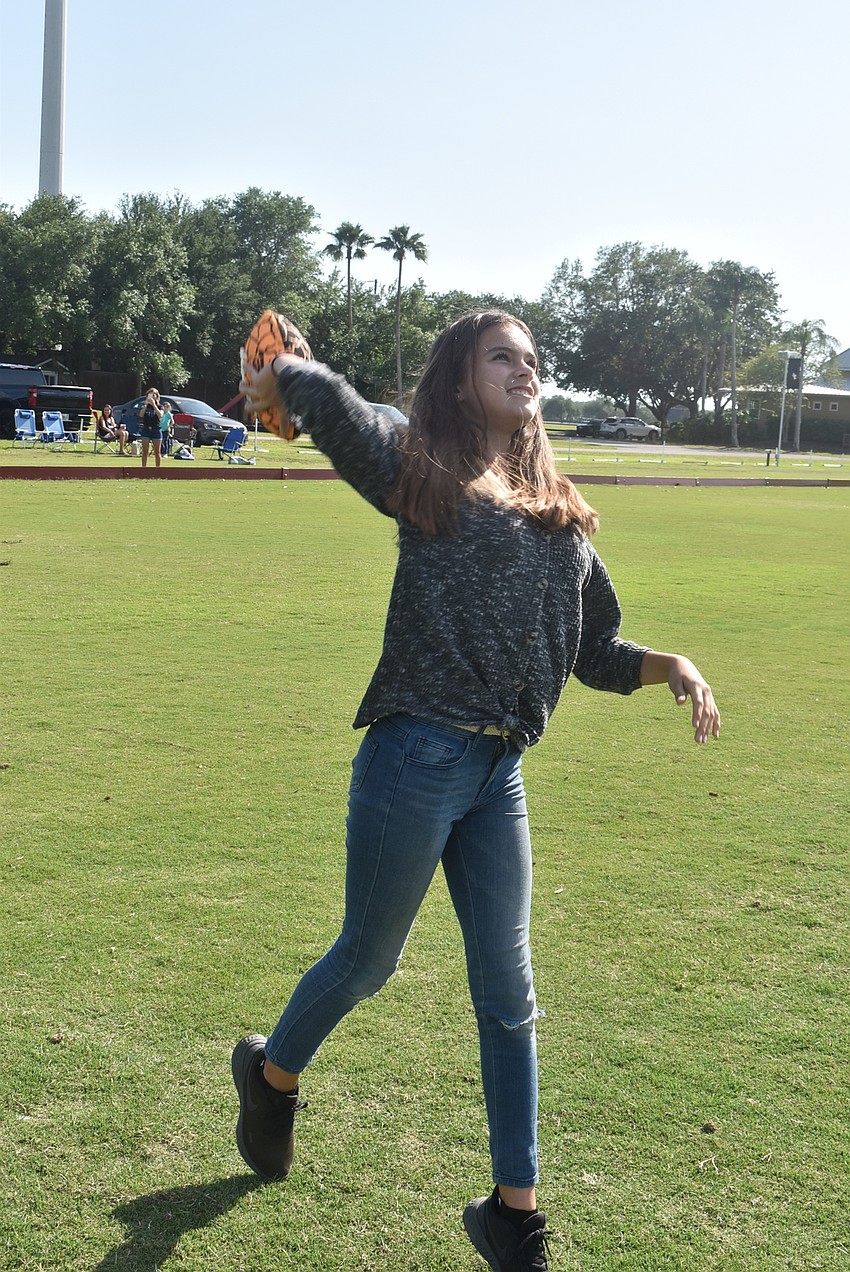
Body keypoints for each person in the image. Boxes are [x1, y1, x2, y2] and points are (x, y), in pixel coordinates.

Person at [233, 311, 721, 1272]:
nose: (524, 371)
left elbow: (595, 650)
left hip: (501, 774)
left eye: (533, 361)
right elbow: (349, 414)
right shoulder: (426, 473)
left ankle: (513, 1214)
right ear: (461, 380)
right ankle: (272, 1076)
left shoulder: (558, 509)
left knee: (509, 994)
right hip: (415, 754)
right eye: (503, 355)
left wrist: (672, 664)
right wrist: (288, 373)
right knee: (368, 960)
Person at [137, 388, 163, 468]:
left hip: (156, 429)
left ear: (157, 396)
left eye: (154, 394)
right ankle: (144, 468)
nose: (152, 396)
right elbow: (141, 415)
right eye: (151, 394)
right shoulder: (144, 404)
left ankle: (157, 469)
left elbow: (160, 415)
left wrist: (154, 405)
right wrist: (145, 405)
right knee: (145, 451)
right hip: (146, 429)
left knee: (157, 452)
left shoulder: (160, 406)